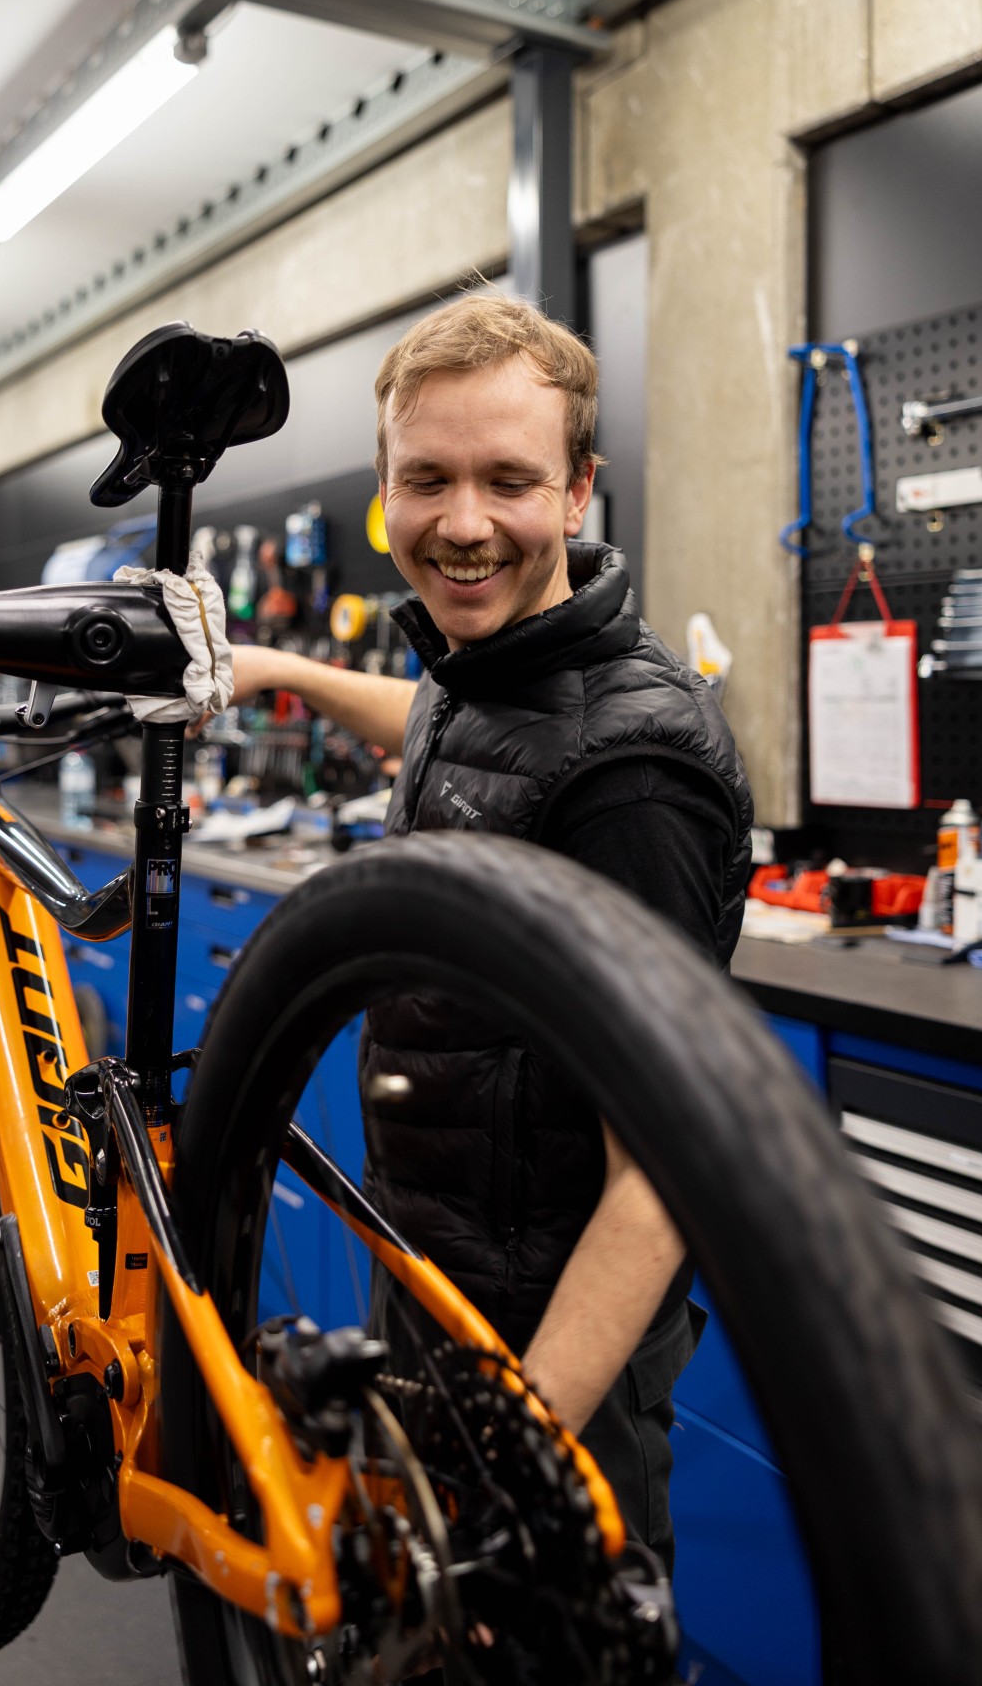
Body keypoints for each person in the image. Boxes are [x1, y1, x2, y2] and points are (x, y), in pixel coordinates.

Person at [230, 290, 753, 1573]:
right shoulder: (487, 671)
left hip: (553, 1348)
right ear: (384, 490)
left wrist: (518, 1448)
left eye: (508, 481)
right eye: (428, 479)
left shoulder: (634, 771)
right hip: (437, 1277)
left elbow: (661, 1173)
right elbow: (429, 718)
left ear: (576, 492)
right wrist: (281, 669)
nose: (462, 524)